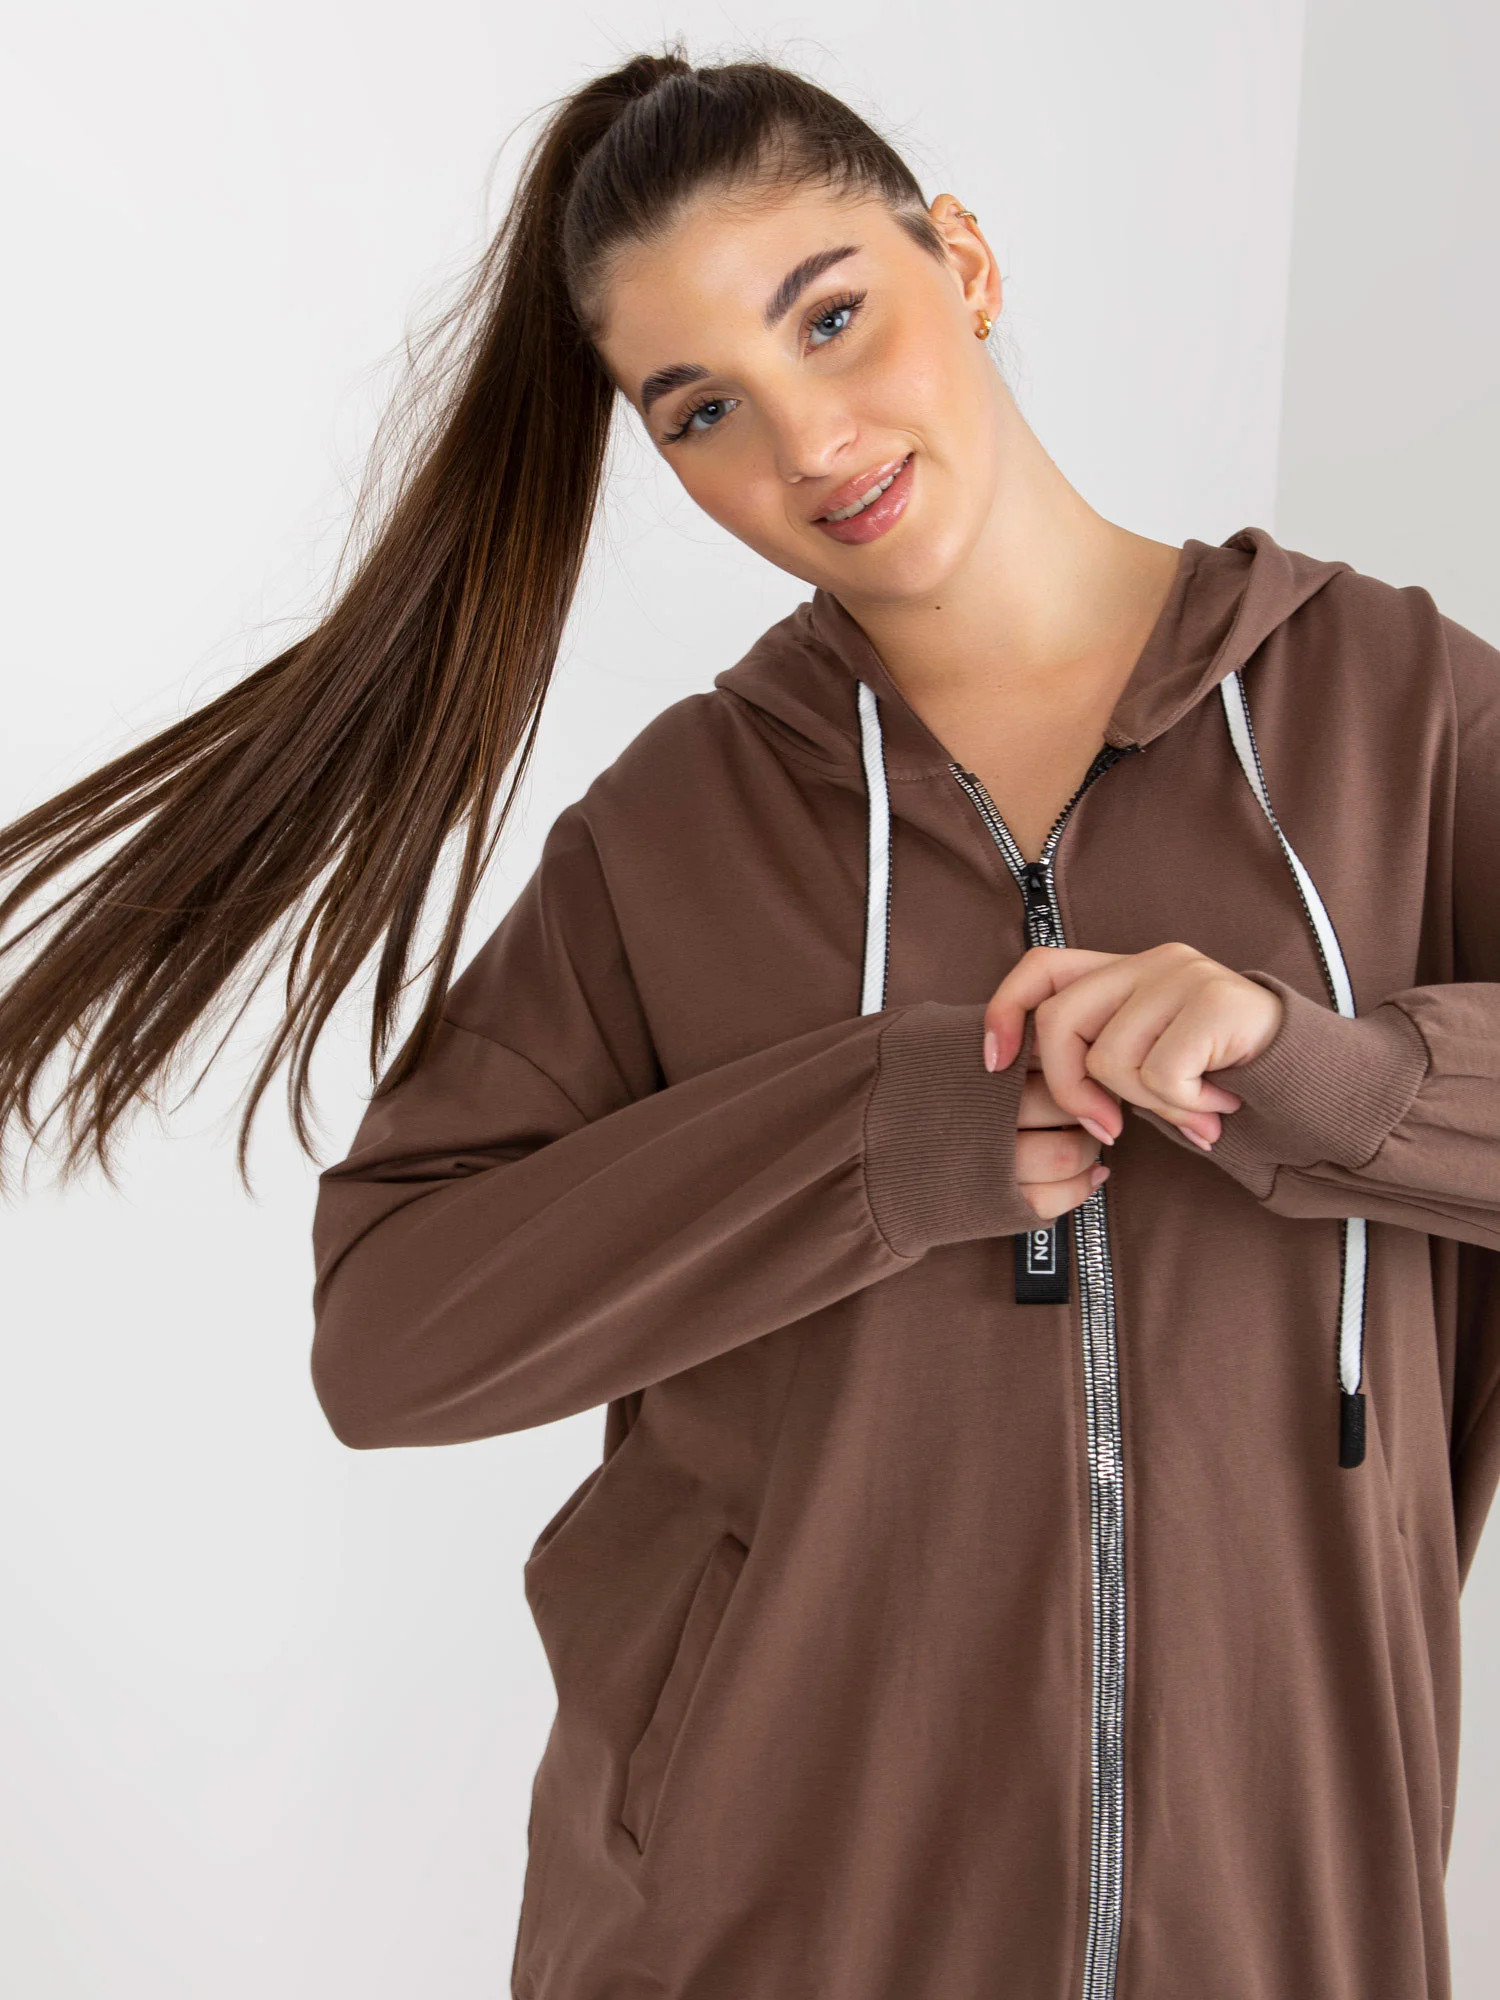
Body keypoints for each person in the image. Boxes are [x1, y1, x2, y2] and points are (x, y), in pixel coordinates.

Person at [2, 40, 1498, 2000]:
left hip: (1282, 1925)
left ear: (964, 259)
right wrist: (869, 1141)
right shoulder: (676, 832)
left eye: (833, 316)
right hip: (758, 1933)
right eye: (702, 406)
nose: (807, 439)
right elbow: (387, 1336)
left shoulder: (1394, 705)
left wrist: (1329, 1079)